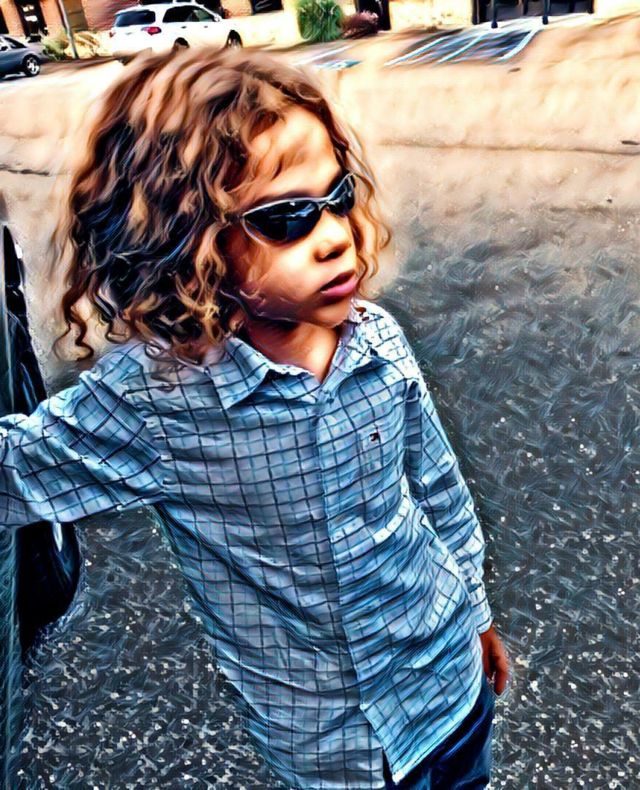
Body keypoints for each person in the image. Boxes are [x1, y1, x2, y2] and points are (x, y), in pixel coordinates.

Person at [0, 48, 509, 788]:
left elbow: (438, 489)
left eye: (337, 196)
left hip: (449, 686)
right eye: (287, 218)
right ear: (191, 243)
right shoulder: (158, 400)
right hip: (333, 750)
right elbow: (13, 473)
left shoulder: (379, 341)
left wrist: (479, 616)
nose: (335, 235)